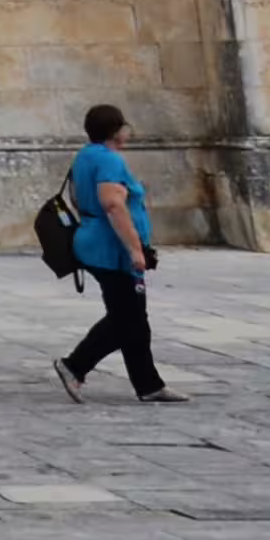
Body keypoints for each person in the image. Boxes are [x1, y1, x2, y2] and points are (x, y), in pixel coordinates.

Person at [55, 101, 175, 404]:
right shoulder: (109, 161)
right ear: (117, 130)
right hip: (111, 250)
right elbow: (113, 204)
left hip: (94, 242)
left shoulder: (86, 155)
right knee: (126, 318)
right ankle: (74, 366)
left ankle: (149, 385)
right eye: (124, 125)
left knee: (133, 317)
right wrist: (135, 249)